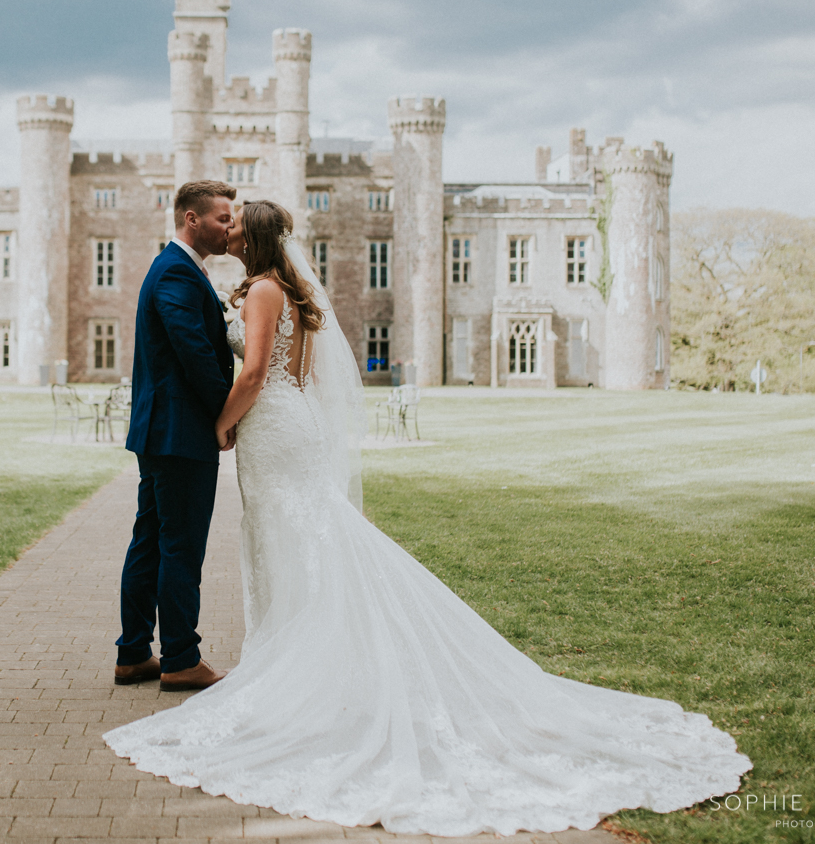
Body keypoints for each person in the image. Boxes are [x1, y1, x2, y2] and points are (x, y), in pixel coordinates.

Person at [105, 200, 752, 837]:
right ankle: (290, 660)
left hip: (271, 430)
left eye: (238, 226)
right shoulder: (286, 289)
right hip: (286, 427)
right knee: (300, 543)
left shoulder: (262, 292)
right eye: (225, 221)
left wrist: (222, 426)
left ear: (258, 240)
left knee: (290, 542)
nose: (229, 231)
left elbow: (250, 377)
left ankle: (296, 672)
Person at [115, 179, 238, 693]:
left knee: (150, 541)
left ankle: (133, 654)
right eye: (223, 219)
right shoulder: (176, 274)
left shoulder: (181, 270)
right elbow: (197, 357)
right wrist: (226, 415)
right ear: (192, 219)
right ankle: (181, 658)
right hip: (179, 433)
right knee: (180, 547)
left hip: (164, 432)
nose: (230, 227)